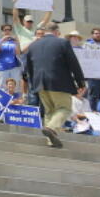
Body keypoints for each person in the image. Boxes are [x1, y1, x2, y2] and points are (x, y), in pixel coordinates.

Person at [22, 21, 87, 150]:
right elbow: (73, 63)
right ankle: (51, 128)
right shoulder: (62, 43)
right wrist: (80, 82)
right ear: (57, 32)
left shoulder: (33, 46)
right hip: (59, 82)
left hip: (39, 83)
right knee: (64, 108)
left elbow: (27, 68)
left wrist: (32, 83)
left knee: (49, 112)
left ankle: (50, 141)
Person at [0, 22, 23, 89]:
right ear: (2, 31)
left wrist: (17, 42)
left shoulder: (13, 41)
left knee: (15, 86)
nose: (7, 31)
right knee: (3, 87)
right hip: (3, 67)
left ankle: (15, 99)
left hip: (14, 67)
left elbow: (18, 52)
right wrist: (2, 40)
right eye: (5, 30)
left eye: (9, 30)